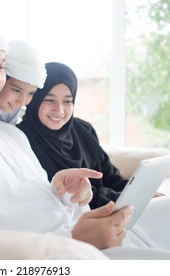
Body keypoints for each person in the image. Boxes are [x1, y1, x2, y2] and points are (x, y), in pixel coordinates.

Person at [0, 19, 170, 258]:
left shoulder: (11, 134)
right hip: (62, 255)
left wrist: (67, 190)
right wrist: (75, 240)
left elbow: (35, 200)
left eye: (0, 68)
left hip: (91, 232)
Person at [17, 62, 164, 209]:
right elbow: (69, 196)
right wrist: (126, 198)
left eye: (68, 101)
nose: (59, 110)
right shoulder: (22, 138)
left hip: (111, 212)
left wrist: (143, 193)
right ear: (34, 99)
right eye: (49, 100)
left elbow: (111, 178)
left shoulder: (83, 129)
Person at [0, 40, 47, 124]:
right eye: (17, 90)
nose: (22, 102)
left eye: (31, 93)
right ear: (0, 79)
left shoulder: (10, 107)